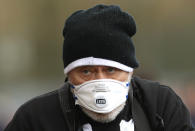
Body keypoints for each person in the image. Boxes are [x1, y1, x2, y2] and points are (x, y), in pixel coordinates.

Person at [4, 4, 195, 131]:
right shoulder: (35, 119)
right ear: (69, 75)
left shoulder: (160, 106)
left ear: (129, 71)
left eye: (111, 70)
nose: (100, 81)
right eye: (86, 71)